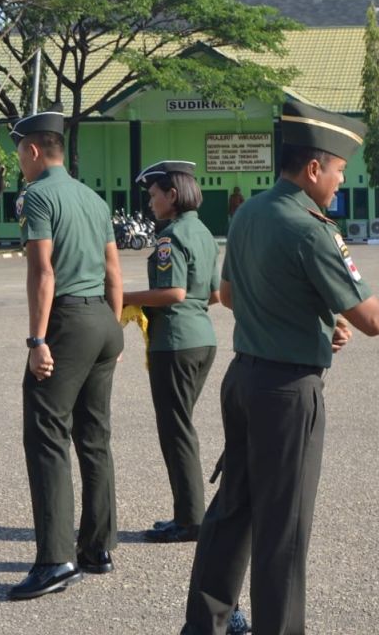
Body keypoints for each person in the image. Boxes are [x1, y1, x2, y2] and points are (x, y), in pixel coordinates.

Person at [181, 99, 379, 635]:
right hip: (287, 392)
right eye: (340, 171)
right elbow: (373, 318)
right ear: (314, 168)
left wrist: (309, 322)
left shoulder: (247, 213)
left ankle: (205, 625)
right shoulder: (311, 228)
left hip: (243, 379)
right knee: (284, 530)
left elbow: (228, 295)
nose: (341, 182)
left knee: (231, 512)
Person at [8, 111, 125, 600]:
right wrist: (112, 335)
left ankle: (56, 560)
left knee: (46, 434)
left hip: (67, 324)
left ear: (34, 149)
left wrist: (37, 342)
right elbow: (114, 272)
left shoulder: (38, 196)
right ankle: (98, 547)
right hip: (102, 319)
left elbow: (43, 274)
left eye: (20, 150)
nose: (19, 160)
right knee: (93, 436)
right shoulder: (93, 198)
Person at [121, 161, 220, 545]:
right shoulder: (204, 233)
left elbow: (173, 293)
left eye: (153, 195)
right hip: (202, 340)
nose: (150, 203)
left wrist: (123, 297)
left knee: (176, 431)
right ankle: (187, 514)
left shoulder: (170, 238)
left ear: (172, 195)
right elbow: (212, 294)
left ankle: (191, 520)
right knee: (181, 428)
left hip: (175, 343)